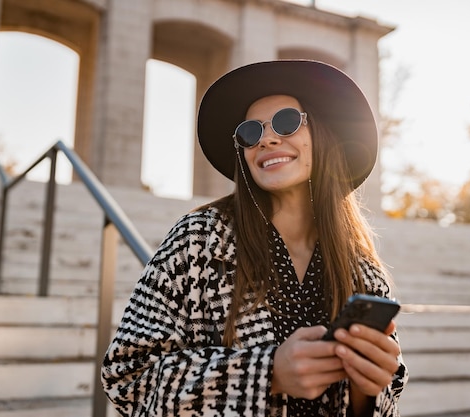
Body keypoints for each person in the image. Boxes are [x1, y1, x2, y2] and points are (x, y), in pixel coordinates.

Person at [101, 60, 408, 417]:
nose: (266, 139)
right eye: (249, 132)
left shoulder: (363, 268)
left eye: (287, 121)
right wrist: (268, 373)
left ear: (321, 134)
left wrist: (365, 389)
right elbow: (128, 379)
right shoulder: (198, 240)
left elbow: (386, 396)